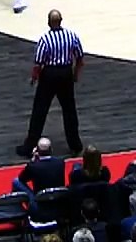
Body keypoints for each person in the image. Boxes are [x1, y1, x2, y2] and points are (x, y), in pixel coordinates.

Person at [17, 9, 85, 158]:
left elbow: (38, 63)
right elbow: (80, 57)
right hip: (66, 73)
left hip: (49, 74)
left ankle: (30, 145)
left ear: (49, 22)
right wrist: (75, 75)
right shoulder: (71, 36)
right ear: (61, 21)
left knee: (40, 110)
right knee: (69, 111)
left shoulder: (45, 39)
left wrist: (34, 78)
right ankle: (75, 145)